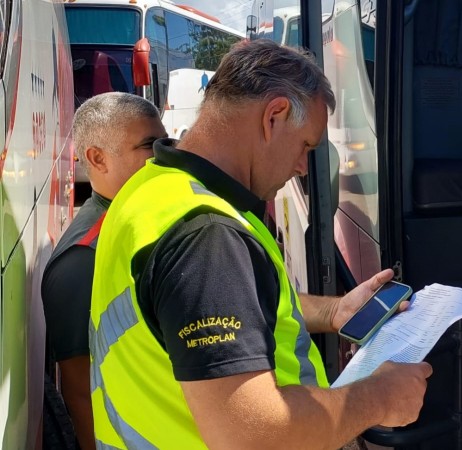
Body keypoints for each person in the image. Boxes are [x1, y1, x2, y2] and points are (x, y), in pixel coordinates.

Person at [89, 39, 432, 449]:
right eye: (306, 146)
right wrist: (380, 397)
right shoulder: (207, 236)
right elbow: (255, 437)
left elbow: (229, 305)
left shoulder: (150, 188)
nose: (302, 167)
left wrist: (334, 311)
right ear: (274, 115)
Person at [41, 92, 167, 449]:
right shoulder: (82, 258)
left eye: (166, 142)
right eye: (150, 145)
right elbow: (81, 394)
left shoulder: (137, 217)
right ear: (98, 158)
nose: (163, 156)